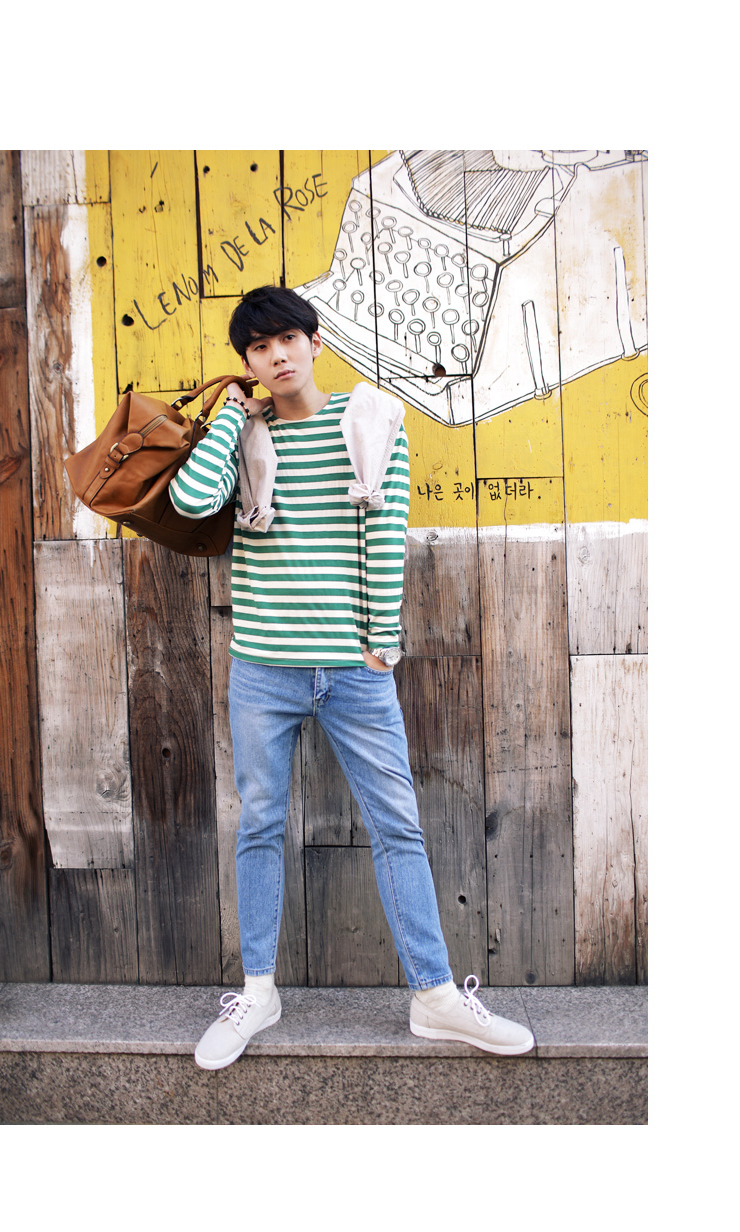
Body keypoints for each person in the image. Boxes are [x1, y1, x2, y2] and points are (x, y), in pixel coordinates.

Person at [169, 285, 534, 1069]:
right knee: (259, 824)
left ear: (314, 341)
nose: (276, 356)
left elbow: (384, 532)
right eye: (258, 348)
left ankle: (435, 997)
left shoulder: (369, 423)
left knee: (397, 824)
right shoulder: (242, 435)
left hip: (354, 667)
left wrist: (379, 645)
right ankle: (258, 992)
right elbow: (191, 500)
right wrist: (231, 416)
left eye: (287, 339)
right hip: (263, 665)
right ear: (247, 363)